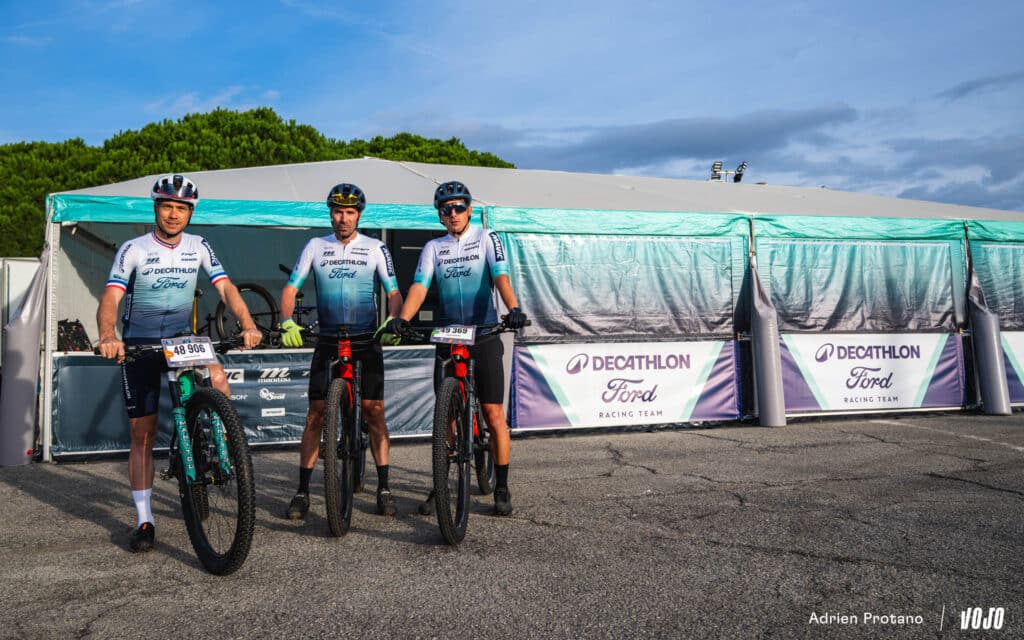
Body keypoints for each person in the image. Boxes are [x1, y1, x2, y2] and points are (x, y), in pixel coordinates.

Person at [96, 174, 263, 553]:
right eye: (167, 207)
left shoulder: (198, 245)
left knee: (218, 377)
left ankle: (221, 445)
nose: (174, 214)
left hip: (180, 340)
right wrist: (108, 335)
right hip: (139, 343)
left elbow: (226, 287)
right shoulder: (134, 248)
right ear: (156, 209)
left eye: (181, 209)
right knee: (143, 435)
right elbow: (111, 296)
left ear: (190, 213)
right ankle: (144, 520)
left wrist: (249, 323)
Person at [388, 180, 528, 516]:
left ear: (469, 209)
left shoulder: (487, 238)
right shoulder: (433, 247)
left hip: (484, 333)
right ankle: (442, 481)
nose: (453, 214)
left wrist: (513, 309)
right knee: (446, 416)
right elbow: (420, 286)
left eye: (459, 207)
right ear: (440, 215)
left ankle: (502, 486)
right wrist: (403, 318)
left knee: (493, 414)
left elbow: (500, 277)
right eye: (446, 209)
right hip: (448, 335)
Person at [279, 183, 404, 520]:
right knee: (315, 414)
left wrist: (393, 320)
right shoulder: (315, 246)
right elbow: (290, 288)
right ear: (331, 214)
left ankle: (384, 487)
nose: (343, 218)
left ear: (359, 215)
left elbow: (393, 291)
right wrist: (286, 321)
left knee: (374, 412)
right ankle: (302, 491)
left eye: (349, 212)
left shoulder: (376, 247)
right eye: (337, 211)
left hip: (366, 339)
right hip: (328, 339)